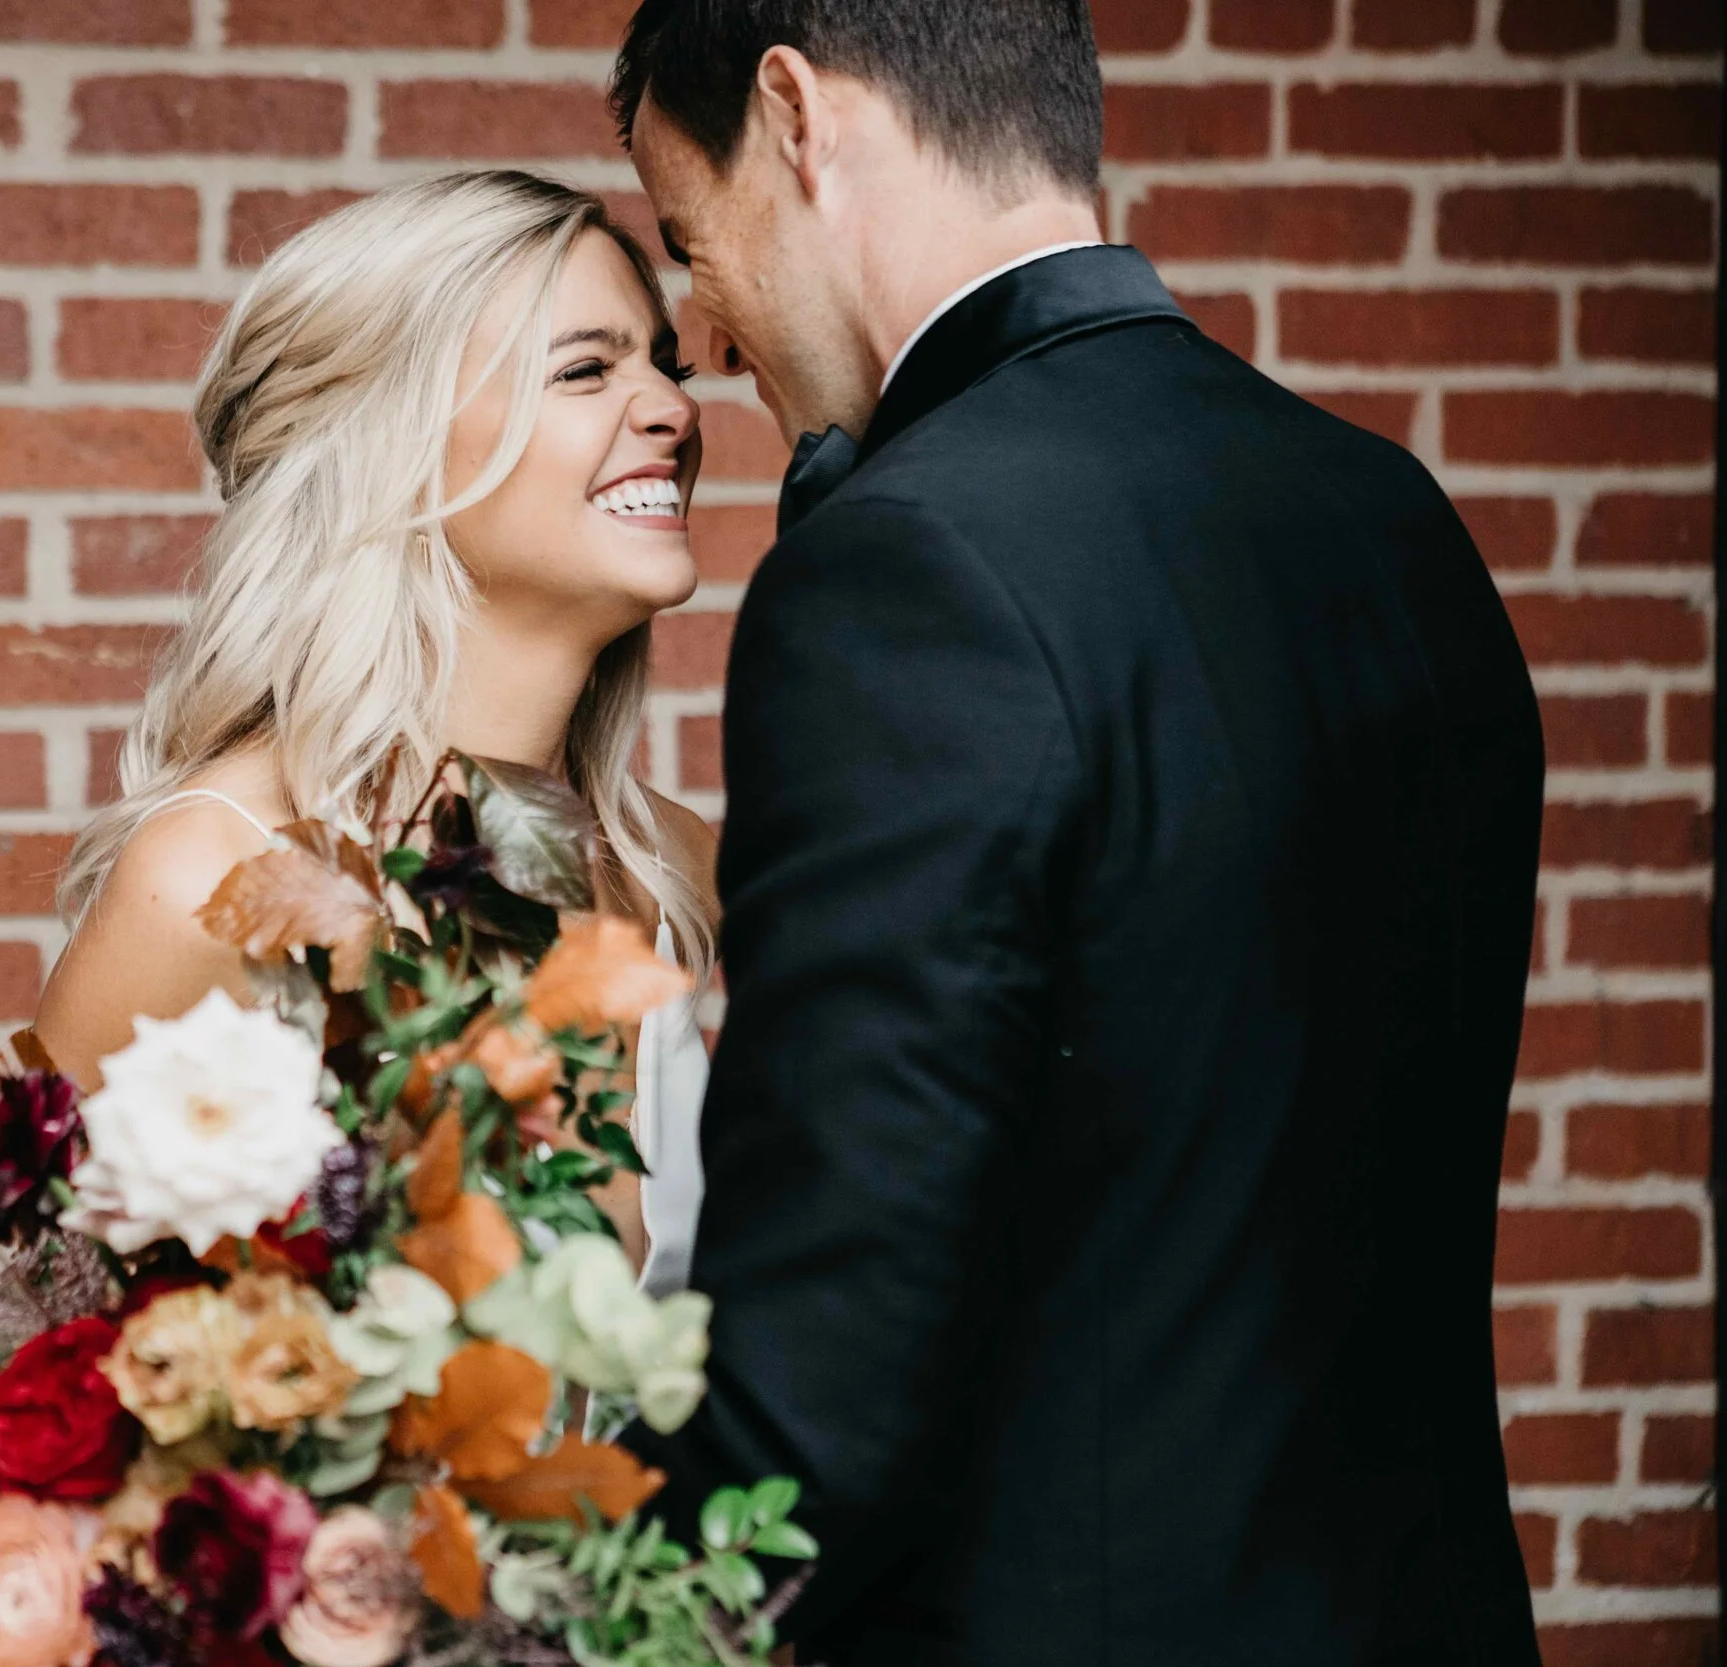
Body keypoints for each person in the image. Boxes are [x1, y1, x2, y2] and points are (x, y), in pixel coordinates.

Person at [611, 2, 1548, 1662]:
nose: (712, 333)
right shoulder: (1392, 516)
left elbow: (825, 1355)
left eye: (694, 243)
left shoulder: (914, 562)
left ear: (796, 115)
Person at [33, 170, 717, 1287]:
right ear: (386, 444)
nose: (674, 409)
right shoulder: (211, 877)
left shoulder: (671, 873)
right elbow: (47, 1368)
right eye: (587, 369)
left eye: (664, 363)